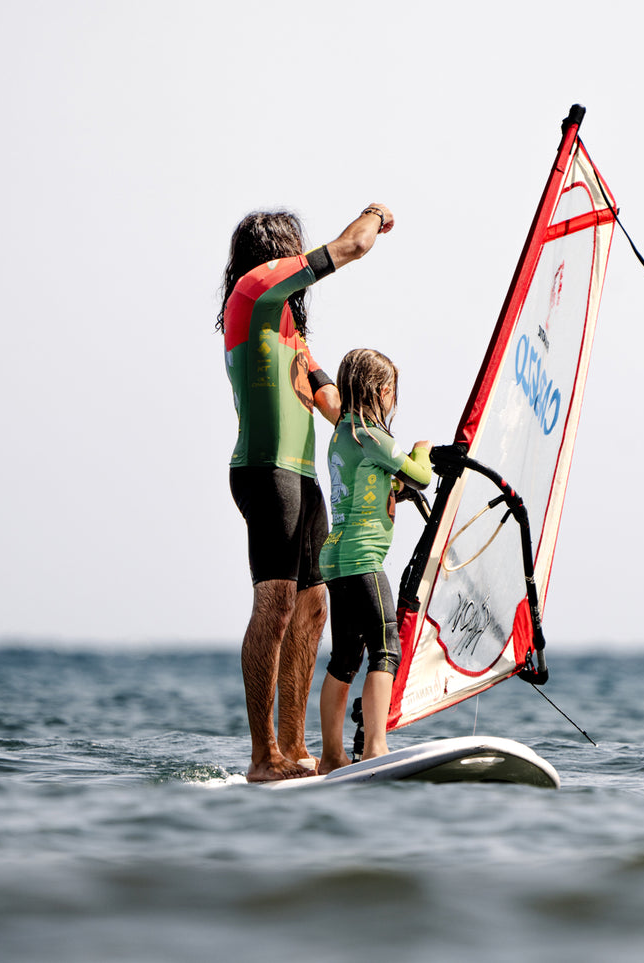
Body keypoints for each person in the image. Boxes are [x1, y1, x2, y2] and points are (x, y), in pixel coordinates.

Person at [219, 204, 395, 782]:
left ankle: (296, 750)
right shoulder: (252, 292)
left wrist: (390, 460)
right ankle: (262, 755)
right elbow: (352, 247)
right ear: (276, 253)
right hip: (264, 472)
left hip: (304, 478)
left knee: (314, 605)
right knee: (275, 604)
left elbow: (334, 408)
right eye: (294, 250)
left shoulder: (289, 335)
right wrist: (373, 214)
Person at [315, 348, 432, 774]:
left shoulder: (343, 434)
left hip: (336, 558)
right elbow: (420, 475)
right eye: (391, 394)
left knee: (345, 658)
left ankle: (330, 757)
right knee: (386, 649)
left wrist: (392, 489)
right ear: (383, 391)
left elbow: (370, 488)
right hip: (363, 559)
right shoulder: (374, 436)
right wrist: (423, 452)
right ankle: (375, 748)